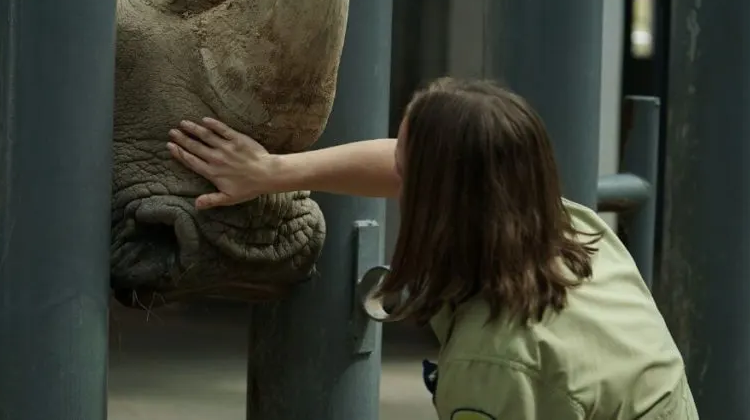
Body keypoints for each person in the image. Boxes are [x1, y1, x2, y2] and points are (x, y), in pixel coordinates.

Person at [167, 77, 699, 420]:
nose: (394, 169)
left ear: (434, 197)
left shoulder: (493, 362)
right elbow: (413, 163)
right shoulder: (576, 232)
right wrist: (273, 172)